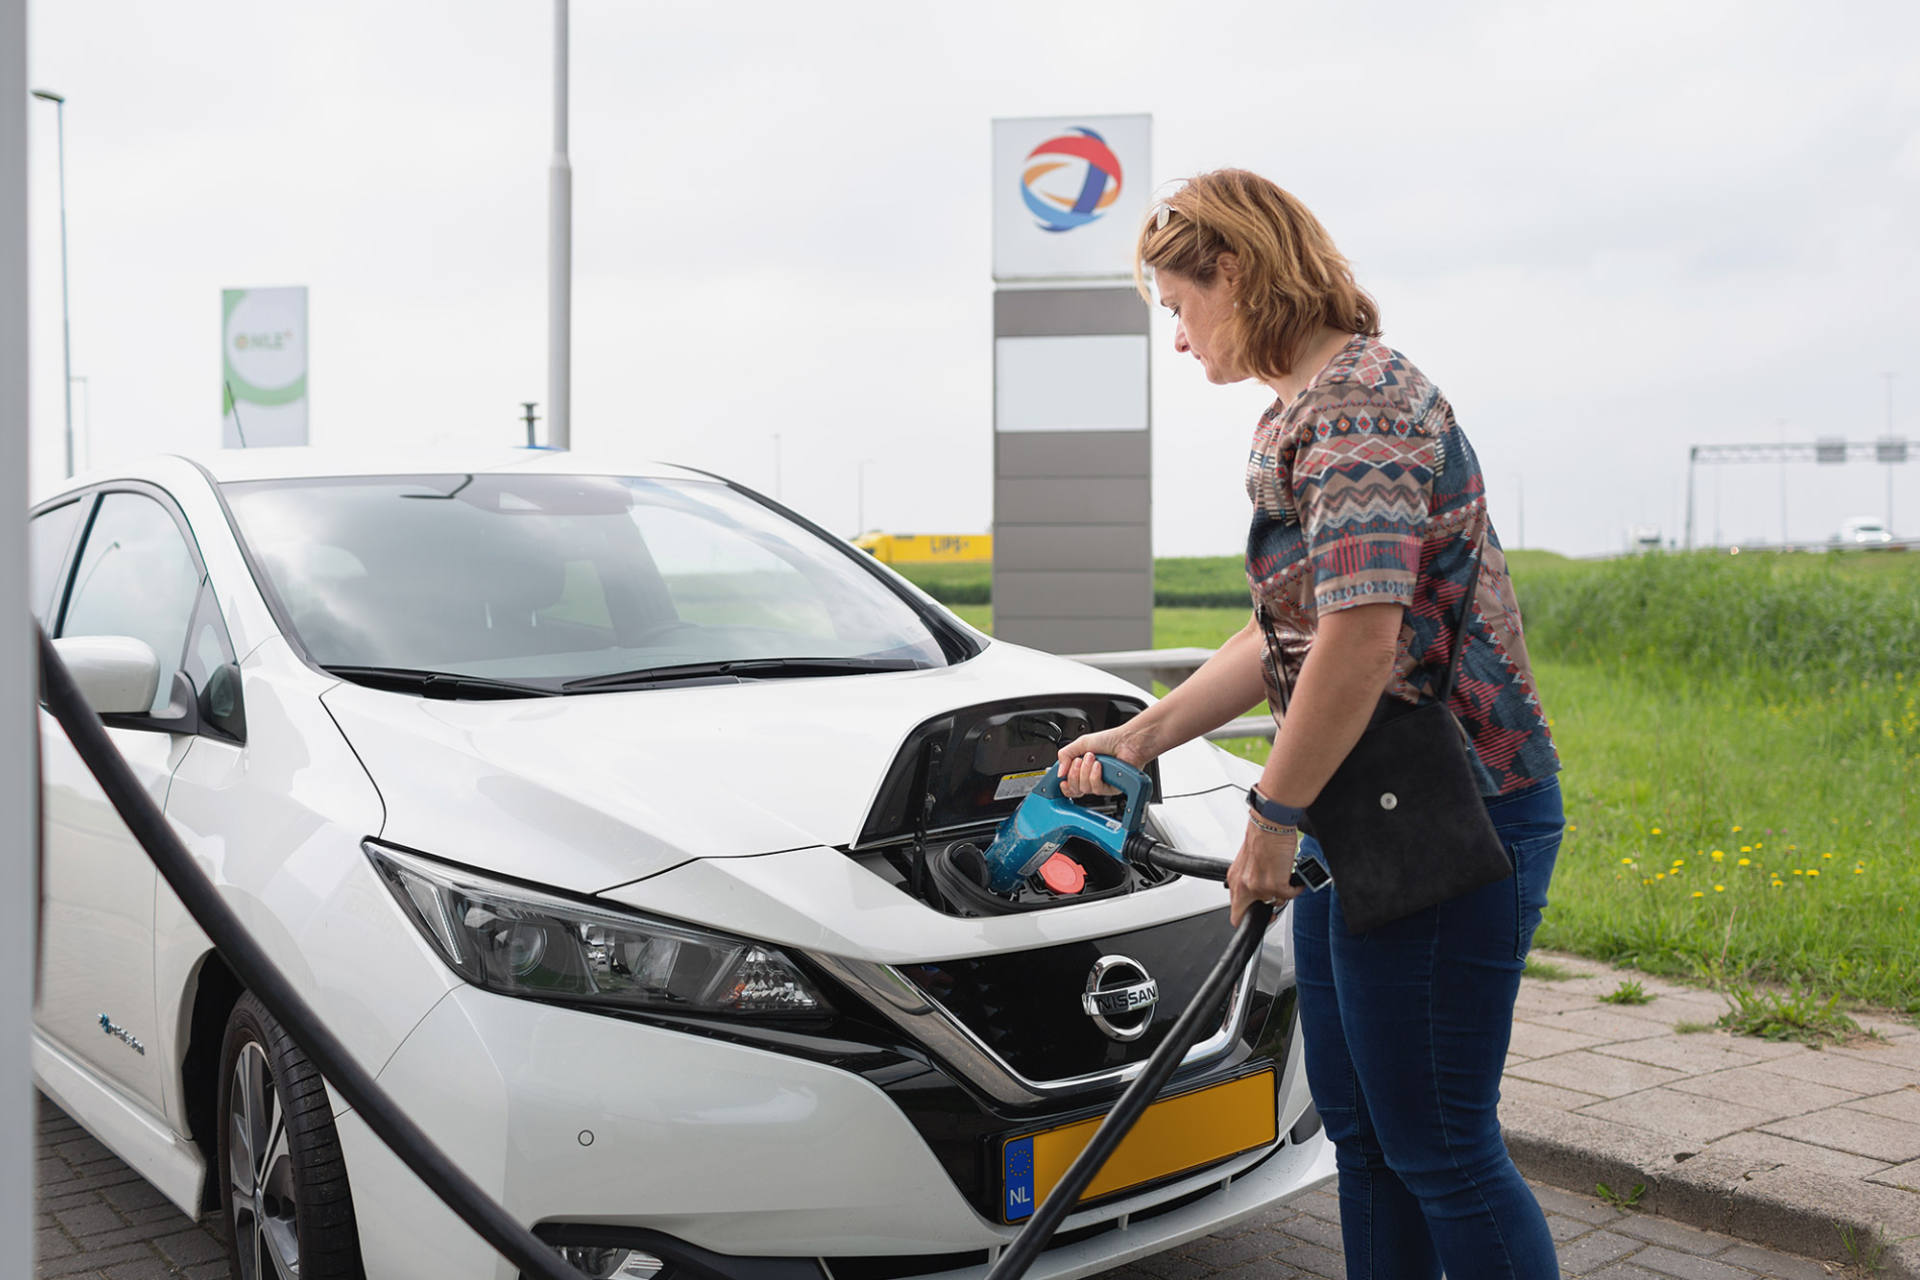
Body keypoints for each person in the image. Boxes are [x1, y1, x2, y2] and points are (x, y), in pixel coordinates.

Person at [1054, 168, 1565, 1280]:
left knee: (1441, 1144)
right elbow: (1288, 629)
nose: (1180, 342)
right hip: (1368, 808)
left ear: (1232, 271)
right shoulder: (1302, 408)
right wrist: (1146, 734)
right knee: (1369, 1137)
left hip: (1452, 818)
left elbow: (1360, 641)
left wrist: (1271, 815)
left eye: (1179, 307)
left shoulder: (1359, 405)